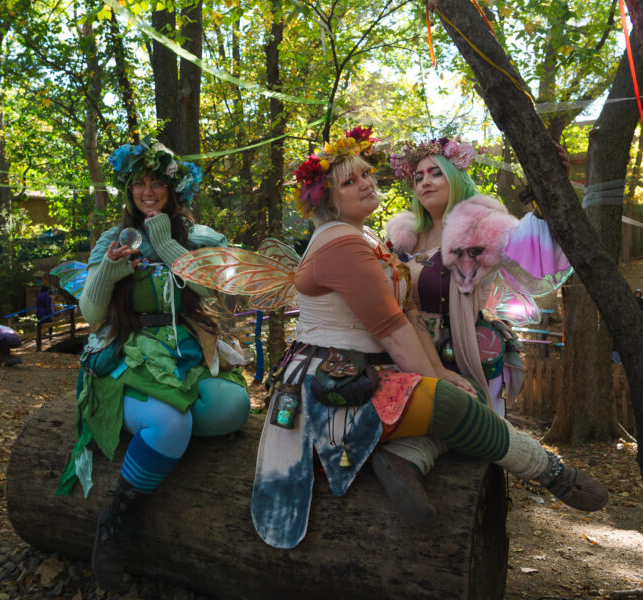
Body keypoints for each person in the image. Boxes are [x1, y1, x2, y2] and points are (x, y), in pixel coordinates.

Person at [250, 127, 607, 550]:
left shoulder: (478, 229)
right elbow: (391, 325)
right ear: (328, 200)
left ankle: (408, 460)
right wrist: (434, 377)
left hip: (442, 350)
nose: (367, 182)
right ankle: (547, 471)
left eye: (367, 173)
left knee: (467, 396)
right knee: (454, 404)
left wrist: (550, 193)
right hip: (340, 377)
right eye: (350, 181)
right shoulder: (378, 239)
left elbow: (409, 310)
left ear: (456, 176)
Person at [56, 136, 251, 589]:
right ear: (128, 189)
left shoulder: (199, 237)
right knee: (172, 425)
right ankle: (115, 522)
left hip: (189, 351)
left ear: (173, 189)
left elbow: (212, 290)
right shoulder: (113, 238)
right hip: (130, 353)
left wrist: (165, 245)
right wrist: (110, 269)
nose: (147, 192)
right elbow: (91, 313)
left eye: (157, 184)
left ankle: (155, 434)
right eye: (139, 183)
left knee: (233, 408)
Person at [386, 137, 572, 419]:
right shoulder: (400, 241)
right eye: (418, 177)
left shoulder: (485, 231)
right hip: (402, 358)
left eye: (437, 173)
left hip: (458, 359)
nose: (425, 182)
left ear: (456, 179)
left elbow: (536, 255)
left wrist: (550, 185)